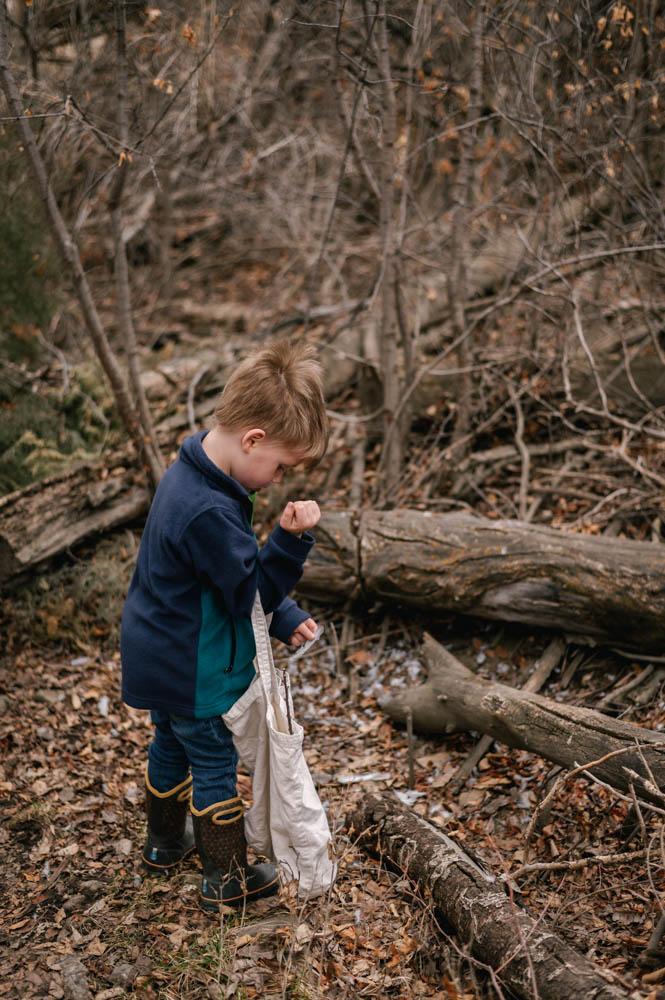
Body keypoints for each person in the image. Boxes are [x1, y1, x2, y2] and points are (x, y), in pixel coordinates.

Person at [120, 339, 328, 912]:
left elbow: (222, 577)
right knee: (212, 756)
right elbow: (245, 589)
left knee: (170, 738)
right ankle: (226, 880)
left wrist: (282, 613)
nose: (279, 478)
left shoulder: (193, 475)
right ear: (253, 439)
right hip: (192, 664)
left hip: (157, 649)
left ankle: (163, 844)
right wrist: (289, 543)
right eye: (280, 465)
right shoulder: (212, 508)